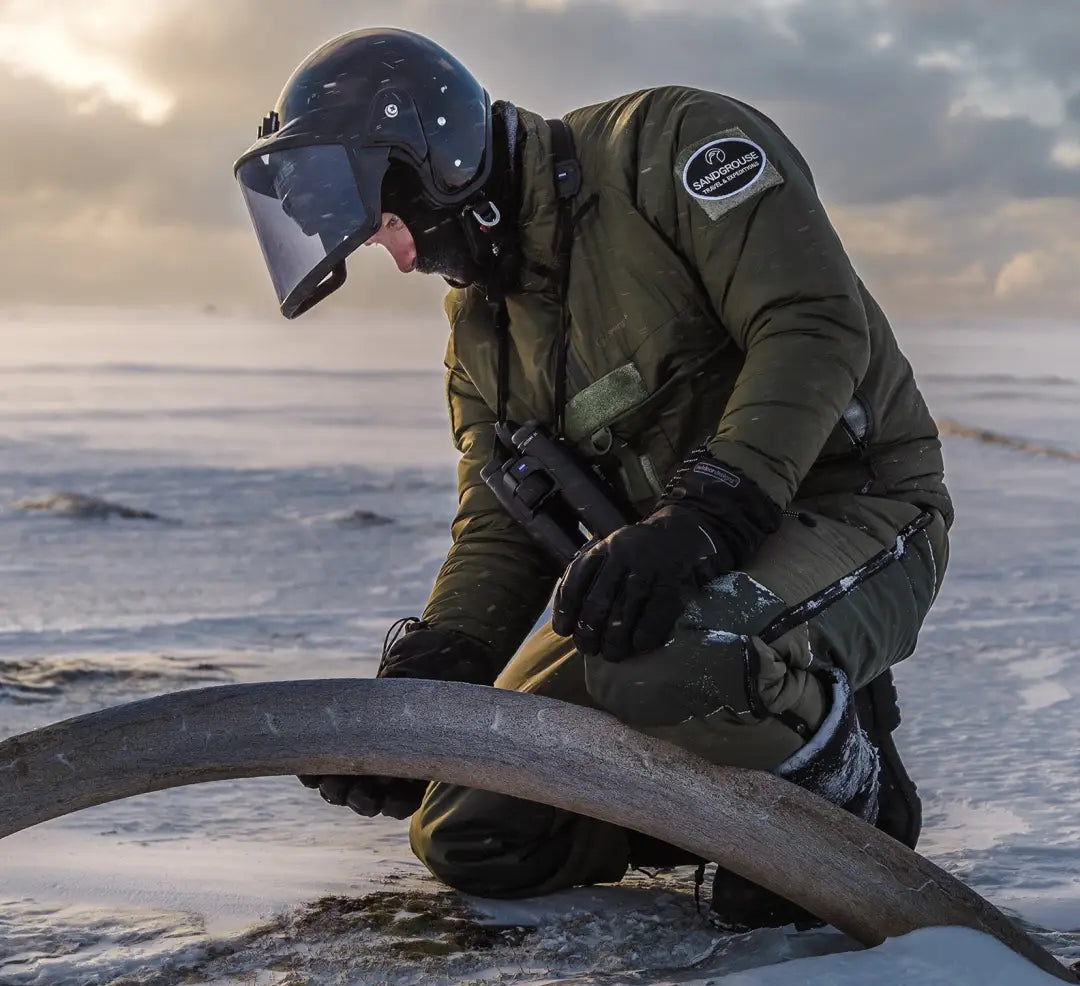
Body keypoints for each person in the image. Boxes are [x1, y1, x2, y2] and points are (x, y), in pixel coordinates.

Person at [234, 27, 952, 930]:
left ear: (439, 161)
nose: (406, 259)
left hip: (857, 507)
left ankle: (848, 795)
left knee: (679, 666)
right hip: (673, 563)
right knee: (472, 830)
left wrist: (705, 514)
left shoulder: (673, 147)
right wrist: (434, 679)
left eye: (390, 226)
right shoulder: (482, 337)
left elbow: (812, 325)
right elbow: (501, 518)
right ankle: (735, 812)